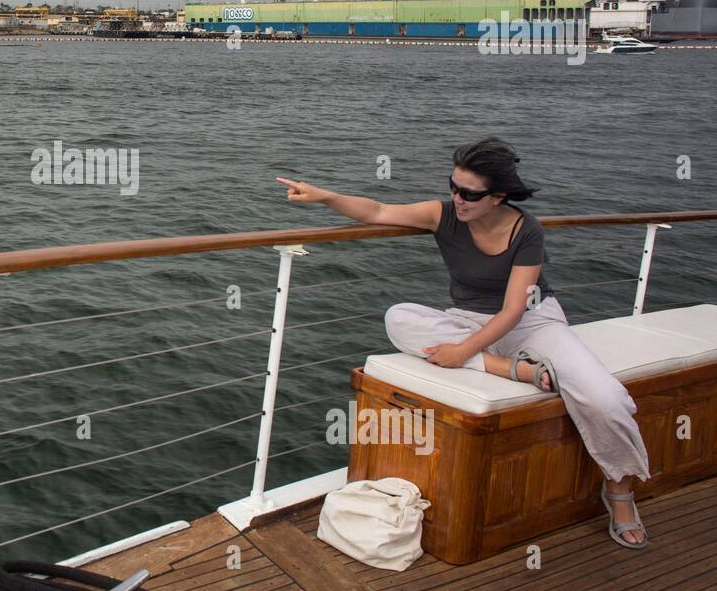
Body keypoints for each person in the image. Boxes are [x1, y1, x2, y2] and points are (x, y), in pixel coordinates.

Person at [276, 136, 651, 549]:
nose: (458, 198)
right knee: (399, 318)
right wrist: (325, 196)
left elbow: (512, 312)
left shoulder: (526, 231)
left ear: (498, 196)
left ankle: (619, 491)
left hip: (531, 321)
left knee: (605, 398)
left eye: (469, 193)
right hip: (468, 319)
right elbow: (379, 210)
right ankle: (515, 370)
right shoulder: (444, 215)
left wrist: (463, 351)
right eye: (453, 187)